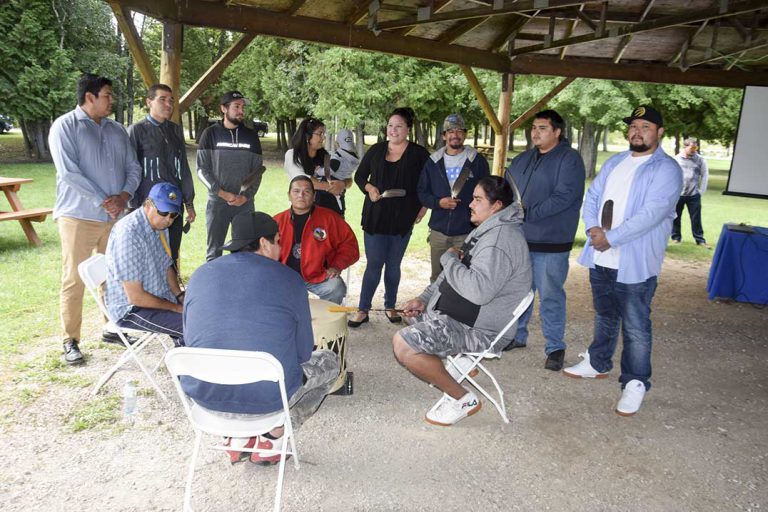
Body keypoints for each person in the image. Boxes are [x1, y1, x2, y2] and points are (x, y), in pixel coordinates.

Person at [182, 211, 340, 465]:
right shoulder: (289, 279)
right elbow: (303, 354)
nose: (280, 247)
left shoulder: (200, 274)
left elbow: (190, 338)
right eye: (278, 241)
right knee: (329, 362)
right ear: (265, 244)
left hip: (204, 397)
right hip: (266, 400)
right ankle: (273, 436)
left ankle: (237, 437)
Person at [563, 105, 682, 417]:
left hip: (635, 261)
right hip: (603, 256)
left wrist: (611, 238)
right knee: (604, 315)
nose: (637, 131)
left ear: (659, 132)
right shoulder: (615, 161)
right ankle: (598, 362)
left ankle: (636, 381)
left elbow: (652, 214)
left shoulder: (666, 170)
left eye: (645, 126)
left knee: (636, 324)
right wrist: (592, 229)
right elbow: (592, 198)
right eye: (633, 126)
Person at [392, 176, 532, 426]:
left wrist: (448, 259)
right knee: (411, 315)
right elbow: (450, 275)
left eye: (478, 199)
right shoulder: (487, 229)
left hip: (479, 330)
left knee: (404, 344)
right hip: (462, 315)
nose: (470, 204)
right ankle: (463, 364)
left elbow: (478, 291)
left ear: (497, 205)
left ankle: (463, 399)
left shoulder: (499, 242)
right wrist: (424, 300)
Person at [49, 73, 141, 365]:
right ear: (89, 97)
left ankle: (112, 326)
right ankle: (70, 340)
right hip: (78, 216)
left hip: (116, 216)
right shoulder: (64, 127)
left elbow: (133, 167)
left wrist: (123, 197)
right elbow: (69, 173)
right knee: (75, 278)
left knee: (113, 275)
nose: (112, 100)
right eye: (107, 95)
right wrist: (105, 200)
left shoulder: (117, 130)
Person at [503, 110, 585, 372]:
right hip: (521, 239)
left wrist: (527, 213)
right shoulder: (523, 159)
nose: (535, 133)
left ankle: (555, 347)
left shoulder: (569, 160)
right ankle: (517, 335)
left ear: (557, 131)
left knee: (550, 295)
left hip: (552, 242)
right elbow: (508, 189)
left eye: (542, 128)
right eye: (533, 128)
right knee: (519, 292)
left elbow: (565, 197)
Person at [349, 107, 430, 327]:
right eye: (390, 126)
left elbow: (429, 183)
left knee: (394, 265)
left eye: (399, 126)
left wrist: (423, 208)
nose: (393, 130)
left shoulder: (419, 154)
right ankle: (363, 309)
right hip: (376, 217)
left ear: (408, 130)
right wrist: (369, 188)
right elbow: (359, 177)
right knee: (374, 263)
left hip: (403, 218)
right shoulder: (376, 150)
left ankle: (390, 305)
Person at [104, 183, 185, 344]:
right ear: (148, 205)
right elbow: (136, 297)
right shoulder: (128, 235)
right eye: (163, 212)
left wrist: (180, 295)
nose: (168, 220)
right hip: (131, 309)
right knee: (194, 326)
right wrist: (176, 308)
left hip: (158, 296)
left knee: (202, 310)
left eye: (173, 215)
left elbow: (166, 265)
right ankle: (185, 366)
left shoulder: (160, 226)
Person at [127, 83, 195, 264]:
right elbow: (130, 169)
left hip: (174, 205)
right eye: (162, 99)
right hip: (148, 207)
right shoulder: (137, 130)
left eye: (171, 100)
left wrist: (189, 202)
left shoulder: (175, 131)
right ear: (149, 102)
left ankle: (171, 291)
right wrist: (133, 206)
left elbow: (183, 168)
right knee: (146, 257)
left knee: (171, 255)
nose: (168, 104)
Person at [418, 113, 490, 283]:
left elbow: (488, 194)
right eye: (450, 131)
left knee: (463, 279)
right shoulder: (433, 162)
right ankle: (434, 309)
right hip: (438, 231)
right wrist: (438, 203)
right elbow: (421, 192)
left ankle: (457, 311)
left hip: (467, 231)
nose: (455, 135)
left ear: (464, 134)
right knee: (436, 278)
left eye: (459, 131)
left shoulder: (477, 161)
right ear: (444, 136)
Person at [197, 90, 264, 261]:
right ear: (223, 108)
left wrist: (245, 197)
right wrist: (222, 193)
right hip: (218, 204)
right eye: (236, 106)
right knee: (214, 253)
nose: (241, 110)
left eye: (242, 107)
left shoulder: (251, 136)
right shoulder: (210, 134)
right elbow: (202, 170)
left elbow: (257, 172)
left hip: (244, 205)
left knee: (246, 252)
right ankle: (214, 287)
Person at [274, 176, 360, 304]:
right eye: (296, 191)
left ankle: (326, 322)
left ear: (314, 196)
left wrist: (336, 266)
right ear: (289, 196)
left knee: (336, 288)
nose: (301, 195)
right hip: (285, 276)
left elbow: (349, 245)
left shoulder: (330, 218)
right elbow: (263, 250)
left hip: (317, 275)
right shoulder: (277, 221)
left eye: (307, 191)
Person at [283, 118, 349, 216]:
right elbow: (305, 183)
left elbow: (348, 178)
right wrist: (333, 187)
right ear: (307, 136)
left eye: (324, 134)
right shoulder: (293, 155)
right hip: (306, 213)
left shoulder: (328, 157)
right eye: (320, 134)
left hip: (333, 212)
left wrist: (343, 184)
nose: (323, 138)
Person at [672, 137, 709, 247]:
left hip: (694, 194)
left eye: (695, 148)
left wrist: (701, 191)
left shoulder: (700, 160)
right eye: (692, 148)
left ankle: (700, 240)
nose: (694, 150)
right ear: (685, 147)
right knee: (675, 216)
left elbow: (705, 175)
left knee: (696, 218)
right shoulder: (676, 159)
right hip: (678, 194)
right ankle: (676, 237)